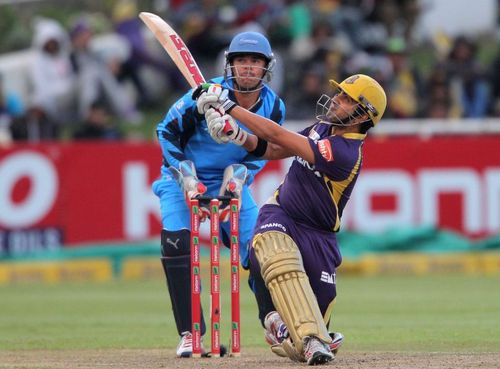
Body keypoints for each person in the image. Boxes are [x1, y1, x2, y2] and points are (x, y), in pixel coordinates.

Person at [194, 73, 386, 365]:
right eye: (339, 93)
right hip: (282, 213)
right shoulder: (323, 128)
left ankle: (295, 332)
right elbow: (273, 149)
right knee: (273, 249)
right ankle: (293, 329)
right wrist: (237, 135)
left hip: (319, 236)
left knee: (301, 342)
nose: (336, 98)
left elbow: (278, 136)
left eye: (346, 98)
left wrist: (229, 105)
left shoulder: (345, 152)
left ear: (363, 114)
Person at [151, 31, 285, 358]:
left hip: (231, 182)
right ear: (231, 64)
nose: (248, 67)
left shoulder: (273, 106)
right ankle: (190, 332)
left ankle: (273, 320)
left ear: (266, 67)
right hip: (183, 178)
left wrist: (240, 175)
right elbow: (165, 132)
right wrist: (182, 171)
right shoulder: (202, 94)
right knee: (177, 244)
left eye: (255, 61)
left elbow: (266, 151)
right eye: (242, 61)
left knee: (260, 249)